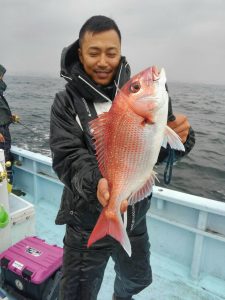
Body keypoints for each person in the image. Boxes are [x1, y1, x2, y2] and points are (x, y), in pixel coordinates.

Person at [50, 15, 195, 300]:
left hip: (135, 220)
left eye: (111, 53)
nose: (103, 61)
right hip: (85, 224)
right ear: (80, 53)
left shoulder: (144, 95)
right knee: (76, 293)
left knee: (138, 280)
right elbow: (68, 158)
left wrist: (183, 136)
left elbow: (160, 152)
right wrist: (98, 186)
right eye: (94, 53)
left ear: (120, 52)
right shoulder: (66, 102)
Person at [0, 64, 19, 176]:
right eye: (1, 76)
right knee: (4, 156)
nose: (2, 78)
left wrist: (10, 117)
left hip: (4, 128)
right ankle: (6, 184)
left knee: (5, 155)